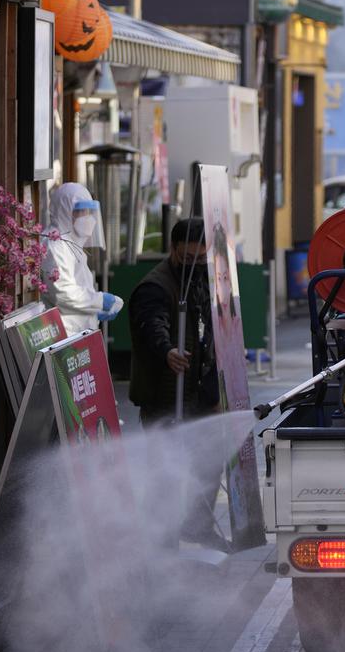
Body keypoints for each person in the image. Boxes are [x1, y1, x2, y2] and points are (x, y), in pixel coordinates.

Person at [128, 218, 225, 550]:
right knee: (165, 475)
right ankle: (161, 545)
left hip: (198, 395)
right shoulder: (155, 287)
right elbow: (151, 324)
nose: (194, 266)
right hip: (163, 398)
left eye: (201, 260)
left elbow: (211, 338)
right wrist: (167, 350)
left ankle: (197, 527)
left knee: (210, 462)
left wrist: (213, 393)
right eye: (187, 259)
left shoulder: (202, 280)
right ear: (172, 250)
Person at [40, 183, 123, 333]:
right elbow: (63, 294)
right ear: (66, 210)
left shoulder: (70, 244)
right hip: (64, 334)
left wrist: (92, 310)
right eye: (82, 211)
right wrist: (99, 301)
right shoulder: (55, 245)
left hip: (78, 333)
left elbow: (79, 290)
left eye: (90, 211)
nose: (89, 217)